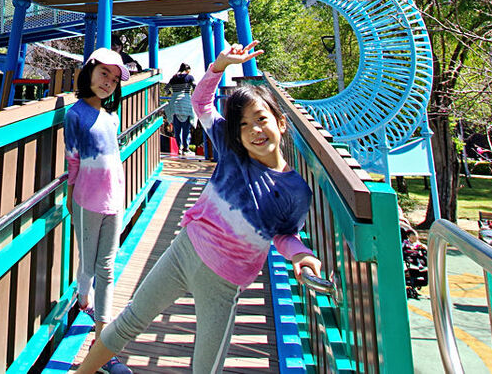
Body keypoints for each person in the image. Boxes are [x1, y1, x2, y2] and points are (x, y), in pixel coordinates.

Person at [74, 42, 322, 374]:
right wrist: (218, 67)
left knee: (206, 363)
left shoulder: (295, 190)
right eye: (243, 125)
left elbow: (284, 233)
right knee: (130, 319)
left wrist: (300, 254)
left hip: (224, 278)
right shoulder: (232, 150)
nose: (254, 131)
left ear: (281, 122)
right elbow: (201, 103)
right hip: (184, 249)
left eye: (261, 119)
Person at [66, 47, 132, 373]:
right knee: (88, 264)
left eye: (115, 78)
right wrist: (69, 194)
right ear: (89, 72)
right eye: (104, 73)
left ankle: (101, 342)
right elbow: (73, 159)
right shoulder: (75, 115)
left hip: (113, 201)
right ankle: (82, 299)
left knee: (107, 267)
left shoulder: (112, 117)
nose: (109, 82)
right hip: (86, 200)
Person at [166, 64, 195, 157]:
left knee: (177, 129)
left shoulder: (174, 78)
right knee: (186, 129)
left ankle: (179, 148)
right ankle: (186, 148)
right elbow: (195, 86)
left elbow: (166, 89)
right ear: (188, 70)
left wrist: (172, 93)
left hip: (175, 104)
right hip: (186, 102)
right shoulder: (189, 77)